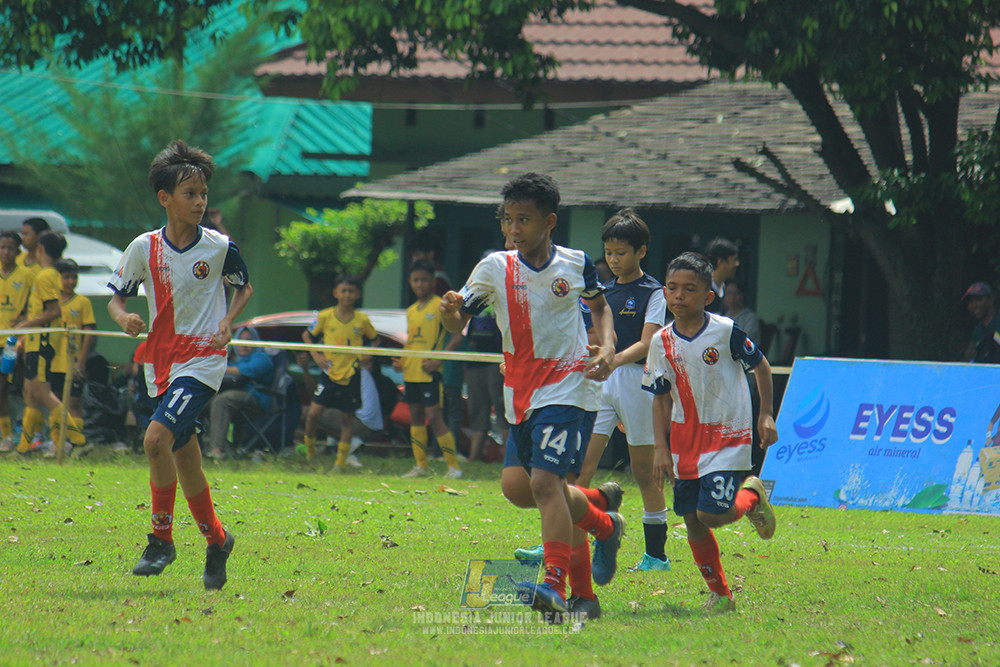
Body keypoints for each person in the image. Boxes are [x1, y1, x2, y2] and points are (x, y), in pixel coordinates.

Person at [440, 172, 624, 623]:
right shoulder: (493, 268)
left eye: (524, 219)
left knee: (546, 484)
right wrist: (448, 313)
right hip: (521, 393)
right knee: (521, 489)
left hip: (571, 388)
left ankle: (558, 587)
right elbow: (458, 322)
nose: (514, 228)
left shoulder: (576, 263)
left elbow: (600, 307)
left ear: (549, 222)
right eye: (507, 219)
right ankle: (604, 524)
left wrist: (607, 347)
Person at [108, 139, 252, 590]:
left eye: (204, 194)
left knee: (155, 440)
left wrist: (228, 320)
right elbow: (116, 298)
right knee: (185, 459)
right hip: (161, 363)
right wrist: (125, 318)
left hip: (203, 361)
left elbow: (243, 285)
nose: (200, 202)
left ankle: (161, 540)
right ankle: (218, 540)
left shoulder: (219, 247)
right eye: (190, 194)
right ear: (165, 198)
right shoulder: (143, 247)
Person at [642, 251, 778, 613]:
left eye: (689, 289)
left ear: (707, 296)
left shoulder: (725, 331)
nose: (678, 295)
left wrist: (765, 414)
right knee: (692, 520)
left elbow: (762, 367)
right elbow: (660, 398)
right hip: (685, 443)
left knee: (712, 515)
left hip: (727, 437)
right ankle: (721, 595)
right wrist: (660, 448)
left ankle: (752, 495)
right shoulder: (660, 342)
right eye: (672, 288)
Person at [576, 208, 671, 573]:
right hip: (602, 381)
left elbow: (648, 342)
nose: (614, 260)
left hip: (638, 382)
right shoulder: (601, 293)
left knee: (645, 472)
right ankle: (569, 540)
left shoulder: (654, 292)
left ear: (641, 251)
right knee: (580, 466)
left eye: (621, 252)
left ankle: (656, 556)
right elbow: (593, 336)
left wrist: (612, 360)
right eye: (609, 252)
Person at [15, 231, 85, 453]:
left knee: (43, 392)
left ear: (41, 249)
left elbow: (54, 311)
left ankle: (76, 439)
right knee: (30, 392)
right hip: (35, 340)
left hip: (42, 341)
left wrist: (26, 325)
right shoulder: (50, 274)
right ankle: (24, 446)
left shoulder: (46, 276)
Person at [394, 259, 463, 479]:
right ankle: (421, 466)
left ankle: (454, 467)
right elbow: (411, 340)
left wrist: (438, 360)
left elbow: (457, 336)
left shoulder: (439, 305)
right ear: (409, 282)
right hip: (411, 372)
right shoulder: (411, 310)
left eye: (424, 280)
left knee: (434, 417)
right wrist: (401, 361)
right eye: (415, 280)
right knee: (415, 417)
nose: (419, 284)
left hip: (429, 373)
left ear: (432, 281)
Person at [301, 273, 378, 469]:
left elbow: (375, 340)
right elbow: (307, 335)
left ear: (358, 294)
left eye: (352, 291)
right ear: (336, 293)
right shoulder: (325, 316)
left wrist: (367, 356)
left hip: (351, 374)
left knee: (347, 418)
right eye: (344, 291)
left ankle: (340, 462)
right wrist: (317, 356)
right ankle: (310, 454)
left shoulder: (362, 320)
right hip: (329, 373)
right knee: (313, 414)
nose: (347, 295)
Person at [206, 326, 275, 458]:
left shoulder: (262, 358)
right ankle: (197, 446)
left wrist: (220, 368)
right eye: (241, 341)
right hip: (237, 399)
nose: (244, 345)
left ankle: (216, 450)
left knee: (222, 400)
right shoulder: (234, 359)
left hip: (256, 399)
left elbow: (246, 370)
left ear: (256, 342)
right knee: (202, 400)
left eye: (248, 341)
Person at [54, 258, 96, 442]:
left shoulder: (82, 302)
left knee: (74, 402)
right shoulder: (51, 303)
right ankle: (58, 441)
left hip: (73, 361)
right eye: (66, 277)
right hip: (53, 361)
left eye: (74, 277)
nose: (71, 281)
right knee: (56, 402)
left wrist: (82, 361)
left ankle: (76, 441)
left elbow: (89, 334)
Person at [464, 295, 509, 462]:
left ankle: (509, 458)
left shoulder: (504, 296)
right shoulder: (475, 298)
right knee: (477, 409)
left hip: (497, 359)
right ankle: (473, 457)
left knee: (503, 409)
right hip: (475, 360)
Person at [0, 230, 33, 451]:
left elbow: (34, 307)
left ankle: (12, 436)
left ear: (17, 251)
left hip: (11, 342)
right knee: (2, 390)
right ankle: (7, 436)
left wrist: (24, 322)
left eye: (10, 248)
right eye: (2, 247)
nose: (6, 252)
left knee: (4, 385)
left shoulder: (26, 276)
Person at [962, 282, 1000, 363]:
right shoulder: (977, 332)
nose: (974, 305)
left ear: (991, 299)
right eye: (971, 302)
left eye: (979, 300)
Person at [704, 237, 740, 315]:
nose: (737, 264)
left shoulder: (724, 290)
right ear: (720, 262)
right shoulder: (703, 292)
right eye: (734, 260)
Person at [723, 280, 761, 346]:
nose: (732, 297)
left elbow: (746, 341)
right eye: (728, 293)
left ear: (742, 295)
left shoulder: (750, 318)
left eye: (736, 293)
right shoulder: (723, 318)